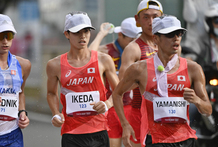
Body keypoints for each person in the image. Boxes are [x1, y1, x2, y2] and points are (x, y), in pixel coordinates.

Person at [112, 15, 212, 147]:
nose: (176, 38)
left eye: (179, 33)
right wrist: (125, 124)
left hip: (186, 140)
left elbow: (208, 110)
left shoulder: (193, 68)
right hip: (155, 140)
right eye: (170, 34)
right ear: (156, 38)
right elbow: (117, 94)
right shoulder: (139, 69)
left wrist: (197, 100)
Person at [46, 11, 119, 147]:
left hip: (99, 131)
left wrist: (107, 104)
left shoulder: (103, 60)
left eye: (86, 31)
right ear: (66, 34)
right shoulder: (54, 65)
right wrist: (55, 113)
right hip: (71, 134)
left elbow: (119, 90)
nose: (83, 36)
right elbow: (51, 93)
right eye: (77, 32)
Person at [117, 0, 163, 146]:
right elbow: (121, 86)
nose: (151, 22)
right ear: (137, 20)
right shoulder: (134, 48)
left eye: (155, 17)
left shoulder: (172, 46)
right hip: (140, 115)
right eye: (146, 17)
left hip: (167, 114)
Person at [90, 17, 142, 147]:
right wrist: (101, 34)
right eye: (131, 40)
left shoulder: (140, 51)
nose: (134, 43)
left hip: (133, 106)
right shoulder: (106, 51)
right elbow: (89, 56)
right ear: (120, 35)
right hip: (111, 106)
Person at [0, 14, 31, 146]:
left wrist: (22, 112)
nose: (5, 41)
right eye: (0, 36)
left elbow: (20, 93)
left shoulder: (24, 65)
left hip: (13, 135)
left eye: (9, 36)